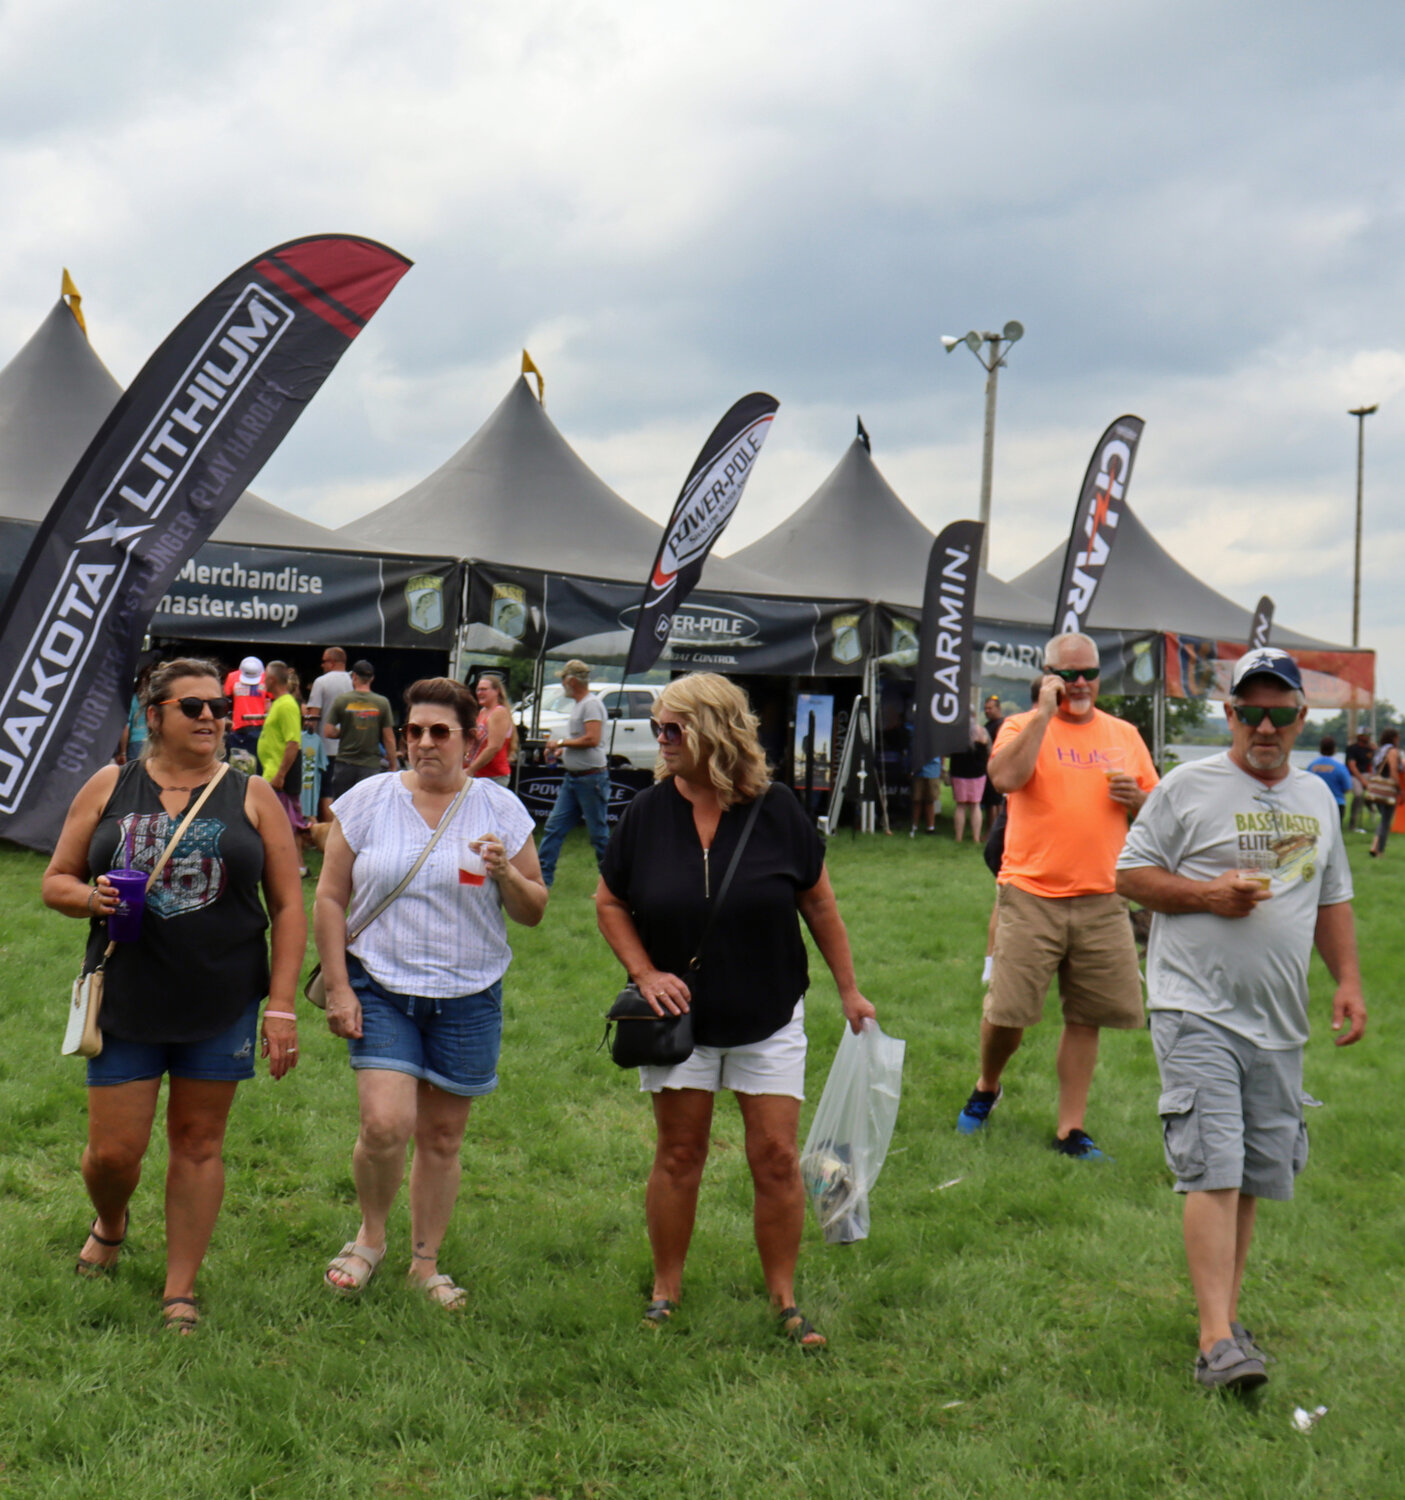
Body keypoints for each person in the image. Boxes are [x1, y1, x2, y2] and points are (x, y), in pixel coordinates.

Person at [596, 673, 876, 1347]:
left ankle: (782, 1295)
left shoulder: (777, 810)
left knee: (776, 1157)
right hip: (679, 1026)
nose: (657, 741)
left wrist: (848, 989)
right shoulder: (645, 812)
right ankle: (666, 1288)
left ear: (711, 733)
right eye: (657, 728)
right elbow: (609, 903)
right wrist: (643, 971)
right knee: (680, 1152)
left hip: (769, 1013)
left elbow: (819, 904)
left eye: (670, 729)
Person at [1116, 646, 1366, 1391]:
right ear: (1227, 713)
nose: (1264, 725)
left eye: (1279, 712)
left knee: (1254, 1173)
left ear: (1299, 718)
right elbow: (1127, 874)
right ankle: (1214, 1341)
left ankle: (1225, 1319)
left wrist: (1347, 979)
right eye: (1249, 710)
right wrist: (1205, 895)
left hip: (1277, 1021)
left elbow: (1330, 897)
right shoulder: (1186, 788)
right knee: (1212, 1167)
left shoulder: (1318, 798)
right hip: (1195, 1006)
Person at [41, 657, 305, 1333]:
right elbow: (57, 881)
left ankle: (179, 1288)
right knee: (113, 1154)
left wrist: (280, 1005)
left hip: (221, 999)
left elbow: (288, 905)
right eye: (193, 708)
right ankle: (111, 1218)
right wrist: (90, 897)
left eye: (218, 707)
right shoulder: (109, 785)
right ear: (153, 715)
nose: (212, 718)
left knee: (197, 1141)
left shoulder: (250, 794)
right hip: (126, 999)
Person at [315, 677, 547, 1307]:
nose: (422, 742)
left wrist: (505, 874)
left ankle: (425, 1263)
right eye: (414, 730)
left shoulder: (500, 809)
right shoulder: (368, 800)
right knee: (386, 1125)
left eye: (438, 732)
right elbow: (331, 896)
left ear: (472, 740)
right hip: (382, 985)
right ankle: (370, 1236)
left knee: (442, 1139)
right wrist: (339, 988)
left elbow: (534, 909)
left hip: (469, 993)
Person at [955, 632, 1157, 1158]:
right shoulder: (1021, 726)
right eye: (1067, 675)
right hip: (1030, 894)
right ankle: (987, 1086)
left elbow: (1159, 815)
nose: (1080, 683)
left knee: (1087, 1016)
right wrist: (1045, 715)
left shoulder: (1124, 735)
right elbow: (1003, 778)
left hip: (1103, 898)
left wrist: (1138, 799)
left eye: (1088, 673)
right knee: (1007, 1013)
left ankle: (1071, 1129)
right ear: (1047, 677)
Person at [537, 660, 610, 888]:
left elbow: (592, 739)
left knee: (598, 835)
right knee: (553, 828)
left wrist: (560, 741)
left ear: (571, 681)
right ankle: (542, 882)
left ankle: (613, 886)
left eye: (563, 680)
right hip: (574, 778)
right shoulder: (580, 705)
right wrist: (563, 750)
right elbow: (582, 740)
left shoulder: (591, 705)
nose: (562, 685)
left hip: (591, 779)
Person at [258, 661, 310, 871]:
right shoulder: (278, 703)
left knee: (289, 823)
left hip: (281, 777)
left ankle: (297, 866)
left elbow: (293, 743)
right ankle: (293, 865)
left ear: (271, 679)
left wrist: (281, 774)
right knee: (283, 822)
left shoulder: (287, 704)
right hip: (272, 773)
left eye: (264, 678)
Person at [324, 660, 398, 799]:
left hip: (345, 764)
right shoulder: (382, 702)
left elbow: (328, 731)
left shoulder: (342, 700)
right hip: (370, 766)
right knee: (367, 809)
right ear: (372, 678)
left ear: (354, 677)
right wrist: (393, 765)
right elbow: (388, 738)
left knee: (342, 808)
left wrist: (346, 730)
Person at [306, 647, 354, 819]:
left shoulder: (321, 682)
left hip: (326, 747)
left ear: (332, 662)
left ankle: (328, 831)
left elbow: (313, 715)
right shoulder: (354, 681)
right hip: (350, 747)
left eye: (324, 661)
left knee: (327, 789)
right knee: (346, 790)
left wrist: (308, 734)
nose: (322, 665)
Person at [947, 718, 991, 843]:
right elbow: (986, 752)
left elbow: (952, 754)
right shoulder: (982, 732)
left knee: (960, 806)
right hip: (977, 774)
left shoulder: (956, 734)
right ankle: (976, 838)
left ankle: (958, 837)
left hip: (959, 774)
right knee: (975, 805)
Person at [468, 672, 516, 786]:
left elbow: (494, 747)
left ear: (497, 691)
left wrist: (471, 769)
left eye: (484, 689)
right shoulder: (483, 712)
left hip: (494, 776)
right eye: (478, 690)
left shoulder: (498, 712)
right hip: (479, 775)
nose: (479, 693)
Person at [1368, 727, 1401, 859]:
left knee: (1383, 819)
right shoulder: (1392, 751)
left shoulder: (1379, 750)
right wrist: (1399, 788)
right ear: (1394, 738)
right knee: (1386, 821)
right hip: (1387, 789)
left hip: (1377, 789)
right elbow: (1393, 770)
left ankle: (1374, 846)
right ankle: (1379, 852)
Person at [1305, 735, 1353, 828]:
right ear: (1334, 749)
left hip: (1316, 804)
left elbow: (1306, 784)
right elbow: (1348, 787)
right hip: (1337, 804)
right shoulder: (1340, 767)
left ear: (1320, 748)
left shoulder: (1312, 766)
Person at [979, 693, 1007, 821]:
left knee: (993, 801)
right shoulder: (989, 724)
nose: (987, 711)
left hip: (996, 766)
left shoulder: (1001, 724)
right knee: (993, 800)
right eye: (985, 708)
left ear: (998, 708)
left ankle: (992, 830)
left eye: (990, 708)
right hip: (989, 766)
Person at [1344, 729, 1375, 832]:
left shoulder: (1369, 750)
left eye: (1369, 735)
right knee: (1358, 794)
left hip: (1366, 774)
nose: (1368, 737)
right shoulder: (1352, 749)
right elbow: (1352, 767)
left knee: (1380, 786)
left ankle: (1370, 802)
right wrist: (1363, 781)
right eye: (1366, 735)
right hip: (1354, 775)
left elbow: (1371, 765)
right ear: (1360, 736)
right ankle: (1352, 824)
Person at [910, 753, 941, 836]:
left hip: (933, 769)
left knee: (930, 800)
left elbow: (942, 752)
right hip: (918, 769)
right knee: (917, 799)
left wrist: (943, 767)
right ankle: (914, 826)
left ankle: (930, 827)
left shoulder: (937, 740)